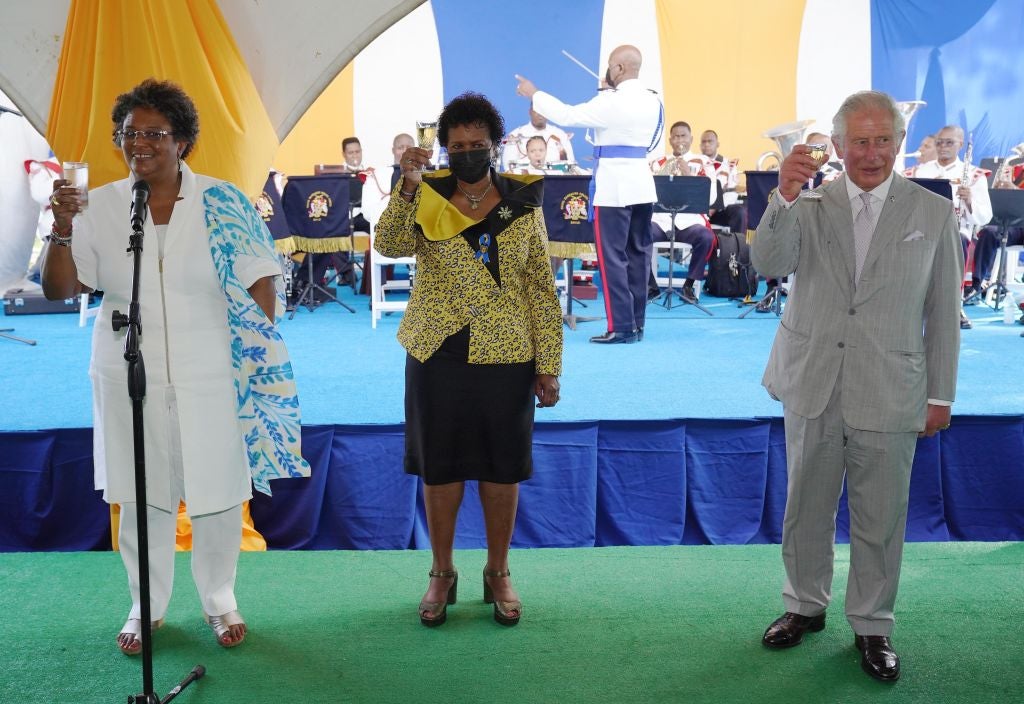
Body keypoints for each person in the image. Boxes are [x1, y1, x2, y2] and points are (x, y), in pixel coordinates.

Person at [40, 78, 309, 655]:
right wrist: (61, 228)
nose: (140, 143)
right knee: (141, 495)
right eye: (129, 134)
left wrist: (250, 351)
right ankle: (146, 606)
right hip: (125, 373)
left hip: (212, 373)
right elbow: (62, 287)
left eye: (154, 133)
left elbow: (263, 275)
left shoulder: (223, 200)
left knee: (217, 493)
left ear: (182, 140)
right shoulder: (102, 205)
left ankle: (220, 600)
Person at [752, 90, 962, 683]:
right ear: (837, 146)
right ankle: (803, 606)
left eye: (883, 140)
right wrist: (784, 195)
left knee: (881, 516)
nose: (871, 153)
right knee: (805, 507)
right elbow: (768, 263)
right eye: (859, 142)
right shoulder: (807, 203)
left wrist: (940, 394)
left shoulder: (933, 212)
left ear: (899, 143)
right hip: (812, 377)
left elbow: (943, 311)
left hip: (892, 385)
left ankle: (873, 624)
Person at [374, 91, 562, 628]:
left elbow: (540, 290)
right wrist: (406, 187)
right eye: (456, 145)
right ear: (444, 149)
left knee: (503, 471)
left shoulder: (523, 202)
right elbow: (389, 244)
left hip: (506, 352)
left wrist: (548, 363)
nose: (467, 152)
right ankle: (441, 571)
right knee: (440, 470)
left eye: (477, 144)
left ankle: (498, 570)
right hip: (437, 351)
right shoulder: (426, 193)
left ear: (496, 146)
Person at [516, 44, 663, 343]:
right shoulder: (654, 101)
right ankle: (636, 323)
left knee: (612, 258)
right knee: (637, 254)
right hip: (642, 184)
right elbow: (651, 140)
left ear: (619, 69)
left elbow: (568, 116)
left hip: (613, 188)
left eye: (610, 67)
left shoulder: (610, 102)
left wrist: (535, 94)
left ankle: (621, 327)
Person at [913, 126, 992, 327]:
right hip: (922, 226)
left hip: (956, 229)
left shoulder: (974, 175)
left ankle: (953, 305)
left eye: (949, 142)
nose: (943, 147)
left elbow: (985, 217)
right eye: (939, 142)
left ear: (960, 144)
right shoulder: (921, 170)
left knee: (956, 242)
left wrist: (969, 200)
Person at [648, 121, 715, 304]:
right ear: (670, 140)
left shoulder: (705, 162)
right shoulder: (656, 163)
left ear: (691, 139)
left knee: (705, 237)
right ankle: (650, 285)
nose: (679, 140)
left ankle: (689, 284)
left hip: (689, 221)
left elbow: (712, 196)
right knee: (640, 234)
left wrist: (690, 177)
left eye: (683, 136)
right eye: (676, 136)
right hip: (661, 219)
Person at [501, 103, 575, 171]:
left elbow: (570, 165)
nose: (540, 114)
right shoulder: (515, 135)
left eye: (543, 111)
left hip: (556, 182)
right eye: (537, 110)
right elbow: (508, 167)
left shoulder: (560, 135)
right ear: (530, 111)